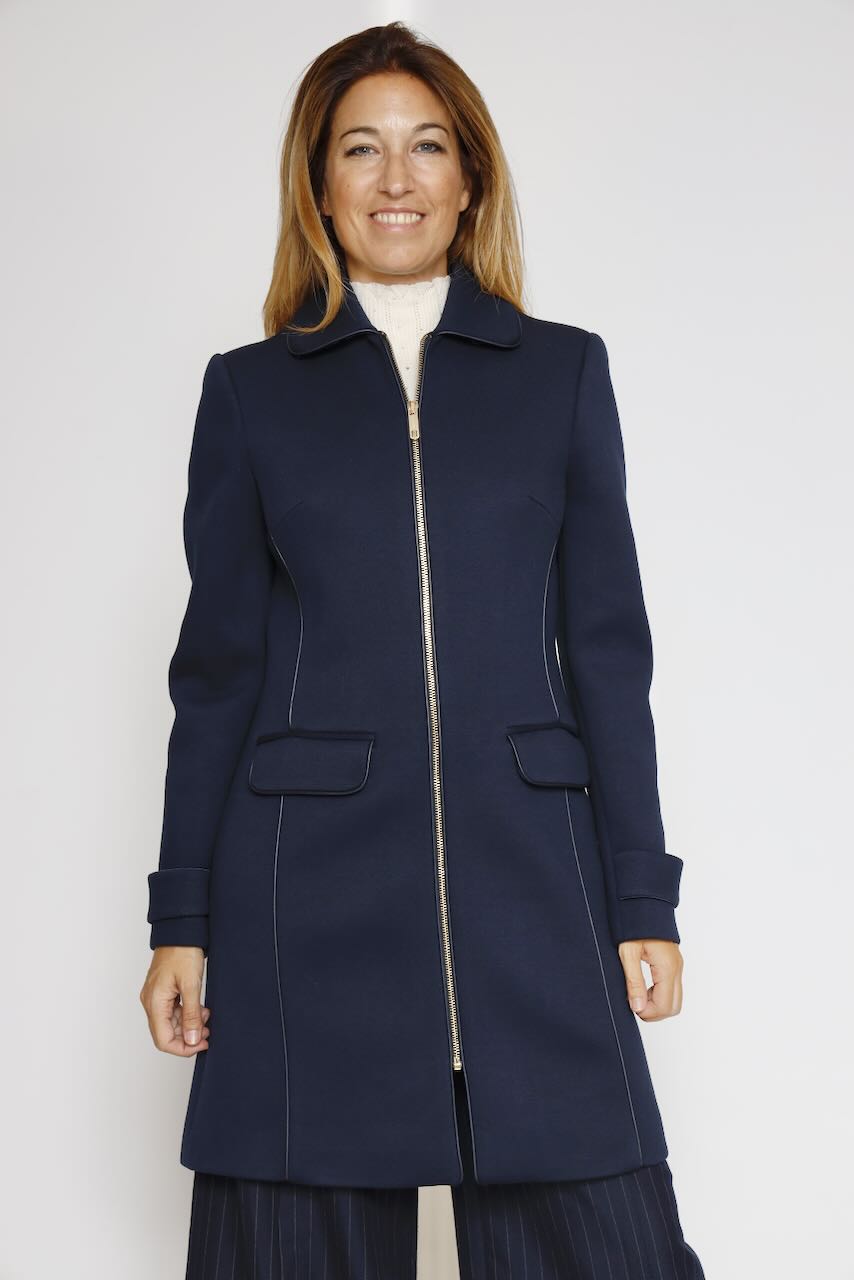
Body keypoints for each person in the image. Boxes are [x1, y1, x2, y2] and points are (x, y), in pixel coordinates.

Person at [139, 21, 706, 1279]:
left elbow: (606, 652)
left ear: (469, 180)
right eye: (360, 149)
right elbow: (217, 673)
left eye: (426, 146)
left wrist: (640, 895)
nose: (394, 178)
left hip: (533, 882)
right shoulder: (250, 392)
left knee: (608, 1243)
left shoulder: (560, 374)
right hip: (302, 896)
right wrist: (181, 916)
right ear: (318, 186)